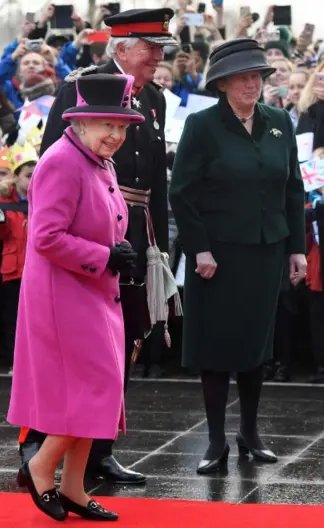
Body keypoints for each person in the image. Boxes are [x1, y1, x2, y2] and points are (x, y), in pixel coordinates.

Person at [21, 7, 178, 486]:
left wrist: (158, 239)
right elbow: (54, 160)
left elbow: (154, 176)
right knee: (65, 346)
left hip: (134, 227)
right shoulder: (82, 87)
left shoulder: (153, 98)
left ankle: (99, 450)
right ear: (122, 47)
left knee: (123, 340)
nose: (157, 58)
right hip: (83, 231)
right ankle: (36, 449)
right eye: (150, 49)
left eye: (160, 50)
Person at [8, 73, 143, 522]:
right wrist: (105, 255)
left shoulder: (98, 160)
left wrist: (114, 253)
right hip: (63, 295)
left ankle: (72, 487)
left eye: (122, 127)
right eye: (108, 124)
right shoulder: (62, 161)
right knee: (91, 390)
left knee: (99, 391)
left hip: (91, 292)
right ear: (82, 122)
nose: (116, 135)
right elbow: (45, 237)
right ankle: (43, 466)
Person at [169, 38, 307, 474]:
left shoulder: (279, 121)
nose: (252, 84)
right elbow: (182, 193)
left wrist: (297, 249)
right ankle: (215, 441)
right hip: (217, 257)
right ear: (223, 83)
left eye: (258, 76)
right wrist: (199, 249)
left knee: (254, 347)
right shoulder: (203, 126)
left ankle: (250, 432)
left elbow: (292, 190)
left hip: (266, 253)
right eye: (244, 77)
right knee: (214, 348)